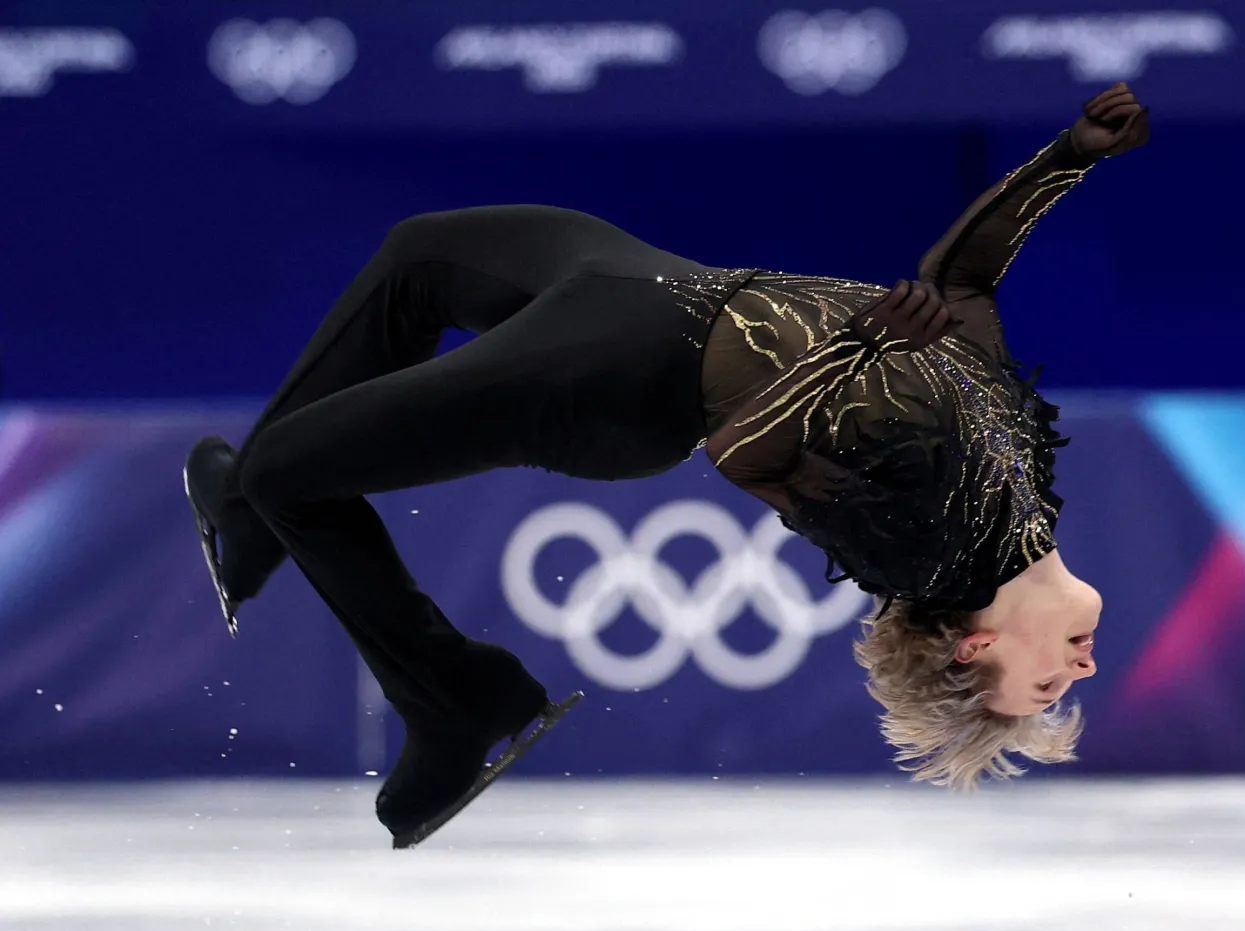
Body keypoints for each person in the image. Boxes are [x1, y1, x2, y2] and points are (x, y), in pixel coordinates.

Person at [185, 84, 1150, 843]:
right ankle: (239, 516)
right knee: (419, 255)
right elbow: (962, 282)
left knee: (285, 474)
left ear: (974, 649)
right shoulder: (1028, 494)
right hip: (661, 285)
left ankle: (454, 698)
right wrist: (1068, 159)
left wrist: (854, 353)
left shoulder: (929, 556)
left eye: (1051, 687)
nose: (1083, 666)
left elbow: (746, 451)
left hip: (622, 381)